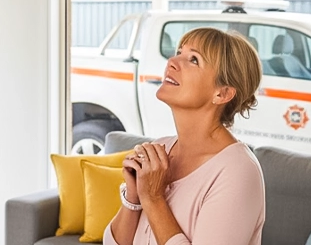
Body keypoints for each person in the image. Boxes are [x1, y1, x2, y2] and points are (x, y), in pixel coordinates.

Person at [105, 28, 266, 245]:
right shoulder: (160, 148)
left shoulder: (237, 171)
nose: (172, 61)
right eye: (179, 52)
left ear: (222, 93)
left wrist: (153, 198)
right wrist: (134, 196)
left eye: (193, 59)